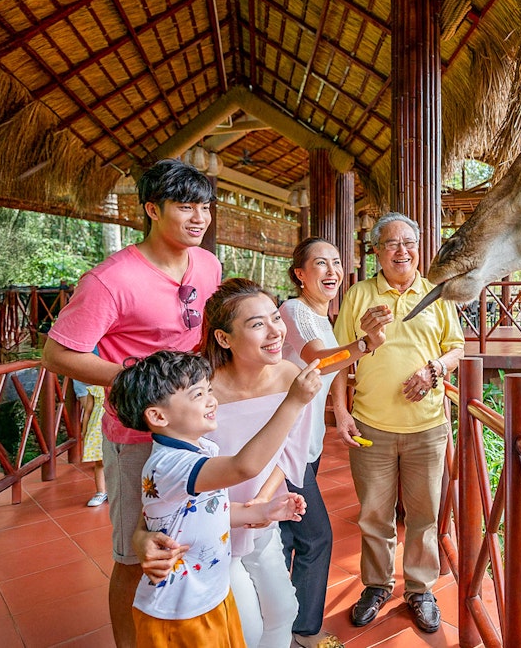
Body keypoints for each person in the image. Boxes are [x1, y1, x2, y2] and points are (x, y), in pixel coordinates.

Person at [41, 158, 221, 647]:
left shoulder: (207, 264)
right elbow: (57, 353)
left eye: (204, 206)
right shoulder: (111, 280)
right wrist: (140, 380)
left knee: (193, 537)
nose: (199, 218)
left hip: (196, 429)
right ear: (151, 209)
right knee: (133, 554)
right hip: (136, 437)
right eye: (185, 207)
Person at [108, 349, 320, 647]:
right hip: (180, 613)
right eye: (198, 395)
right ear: (157, 416)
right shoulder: (171, 465)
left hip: (210, 596)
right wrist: (294, 402)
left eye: (209, 390)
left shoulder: (200, 448)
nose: (212, 400)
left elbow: (207, 509)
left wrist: (260, 512)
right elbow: (243, 467)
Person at [332, 212, 464, 634]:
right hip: (371, 424)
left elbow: (456, 348)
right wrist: (340, 410)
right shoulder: (358, 296)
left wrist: (433, 371)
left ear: (419, 248)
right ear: (376, 251)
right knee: (374, 514)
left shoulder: (437, 295)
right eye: (391, 243)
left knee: (424, 514)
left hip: (427, 427)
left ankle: (421, 590)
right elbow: (338, 359)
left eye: (408, 242)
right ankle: (376, 585)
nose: (401, 250)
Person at [278, 238, 392, 647]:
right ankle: (304, 631)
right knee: (316, 536)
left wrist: (341, 414)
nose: (331, 271)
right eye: (320, 264)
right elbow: (320, 360)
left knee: (287, 535)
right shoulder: (293, 311)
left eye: (336, 263)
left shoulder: (323, 317)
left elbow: (331, 371)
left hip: (305, 443)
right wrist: (364, 343)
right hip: (283, 446)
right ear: (300, 274)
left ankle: (277, 626)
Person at [81, 383, 108, 507]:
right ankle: (100, 491)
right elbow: (87, 411)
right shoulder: (94, 389)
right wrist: (84, 430)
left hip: (113, 426)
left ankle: (117, 490)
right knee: (99, 461)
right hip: (97, 428)